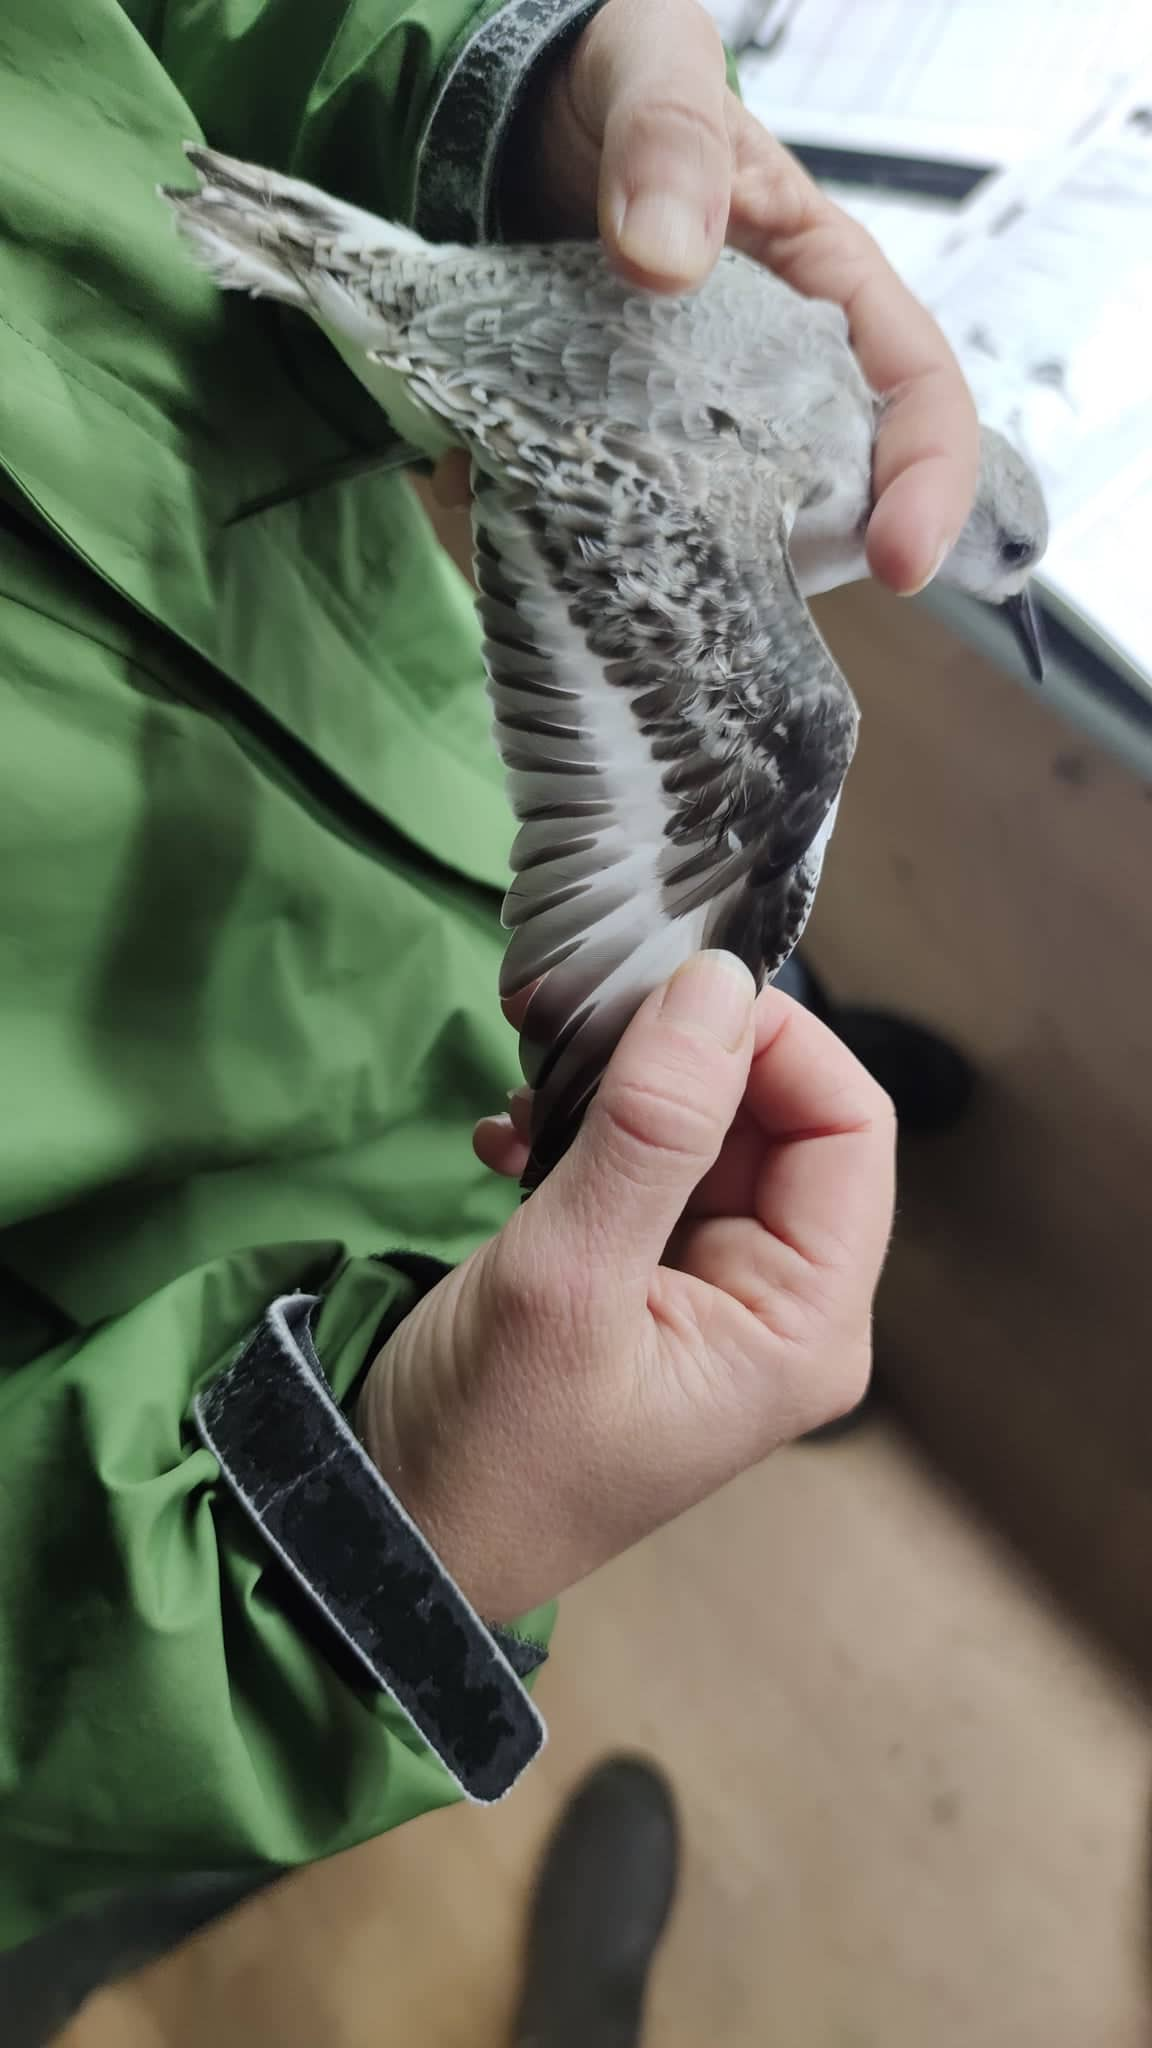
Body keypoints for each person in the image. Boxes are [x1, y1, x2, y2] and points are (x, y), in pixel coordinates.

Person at [0, 0, 978, 2031]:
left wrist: (514, 81)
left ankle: (671, 1154)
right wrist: (358, 1548)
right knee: (140, 1870)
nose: (959, 562)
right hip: (136, 1521)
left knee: (714, 908)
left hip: (385, 814)